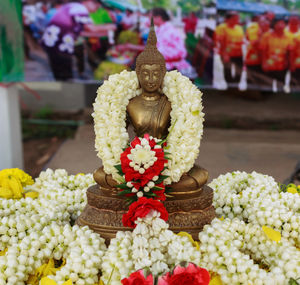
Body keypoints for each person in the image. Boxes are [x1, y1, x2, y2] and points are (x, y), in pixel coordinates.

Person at [152, 7, 196, 78]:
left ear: (158, 18)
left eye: (151, 18)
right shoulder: (163, 28)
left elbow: (158, 52)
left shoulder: (167, 31)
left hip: (173, 66)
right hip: (169, 62)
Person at [260, 18, 292, 91]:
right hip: (269, 65)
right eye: (278, 23)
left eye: (282, 23)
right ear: (273, 25)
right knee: (268, 82)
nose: (280, 25)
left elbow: (289, 51)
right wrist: (264, 62)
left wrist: (288, 62)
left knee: (281, 82)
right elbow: (263, 50)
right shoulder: (266, 36)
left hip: (282, 65)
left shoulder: (288, 36)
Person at [215, 11, 244, 86]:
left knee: (239, 70)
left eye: (237, 19)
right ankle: (230, 87)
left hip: (238, 53)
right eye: (234, 19)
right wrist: (225, 54)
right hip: (227, 54)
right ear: (227, 19)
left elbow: (241, 40)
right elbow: (220, 41)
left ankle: (236, 85)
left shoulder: (239, 28)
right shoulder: (222, 28)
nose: (237, 21)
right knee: (228, 70)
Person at [245, 15, 270, 87]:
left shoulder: (269, 31)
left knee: (263, 78)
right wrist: (261, 35)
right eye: (262, 22)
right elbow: (253, 43)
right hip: (252, 58)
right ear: (258, 22)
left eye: (266, 22)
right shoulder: (252, 29)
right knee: (252, 77)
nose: (264, 24)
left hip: (264, 59)